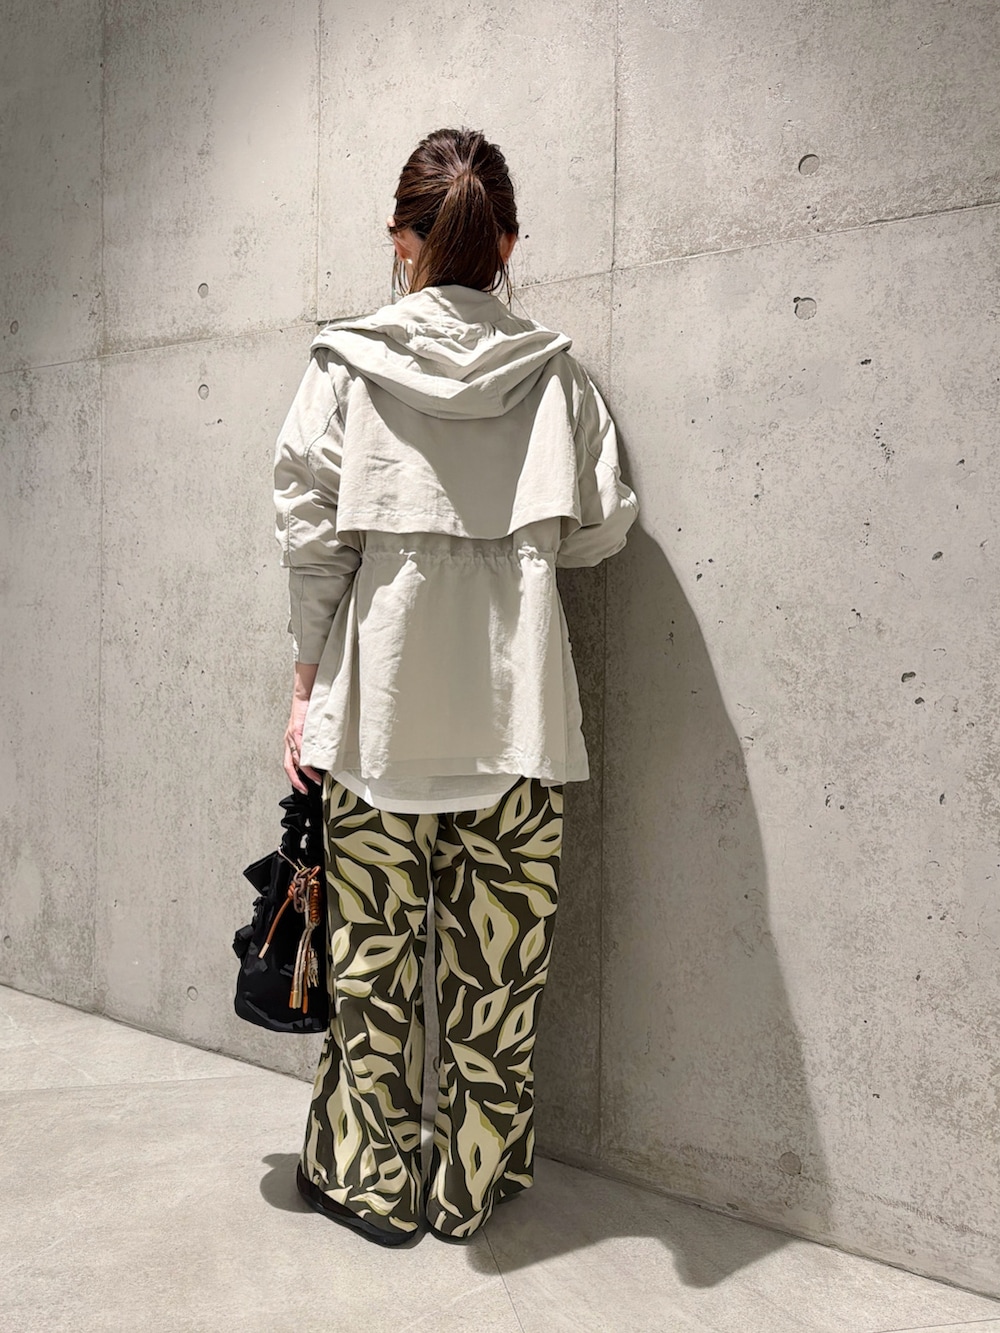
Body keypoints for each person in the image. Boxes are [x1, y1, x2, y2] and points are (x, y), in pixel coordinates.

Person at [273, 126, 639, 1246]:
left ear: (402, 240)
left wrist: (304, 691)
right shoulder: (556, 376)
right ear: (508, 245)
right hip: (520, 724)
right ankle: (466, 1186)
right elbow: (602, 529)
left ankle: (371, 1184)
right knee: (497, 985)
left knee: (372, 973)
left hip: (379, 722)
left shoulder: (343, 368)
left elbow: (311, 543)